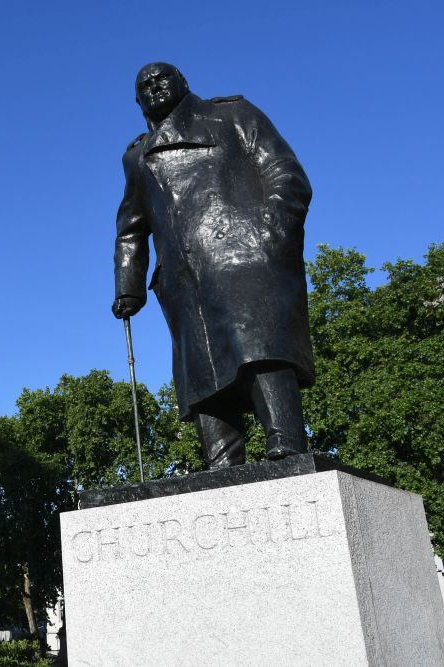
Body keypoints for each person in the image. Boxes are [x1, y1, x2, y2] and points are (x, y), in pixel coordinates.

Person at [112, 62, 314, 469]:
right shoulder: (137, 157)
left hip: (247, 258)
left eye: (162, 77)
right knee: (203, 379)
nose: (154, 86)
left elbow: (286, 174)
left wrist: (268, 233)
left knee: (261, 350)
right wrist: (128, 287)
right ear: (137, 101)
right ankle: (222, 466)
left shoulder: (233, 115)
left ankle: (287, 444)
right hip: (185, 281)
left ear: (185, 81)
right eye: (144, 85)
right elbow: (131, 227)